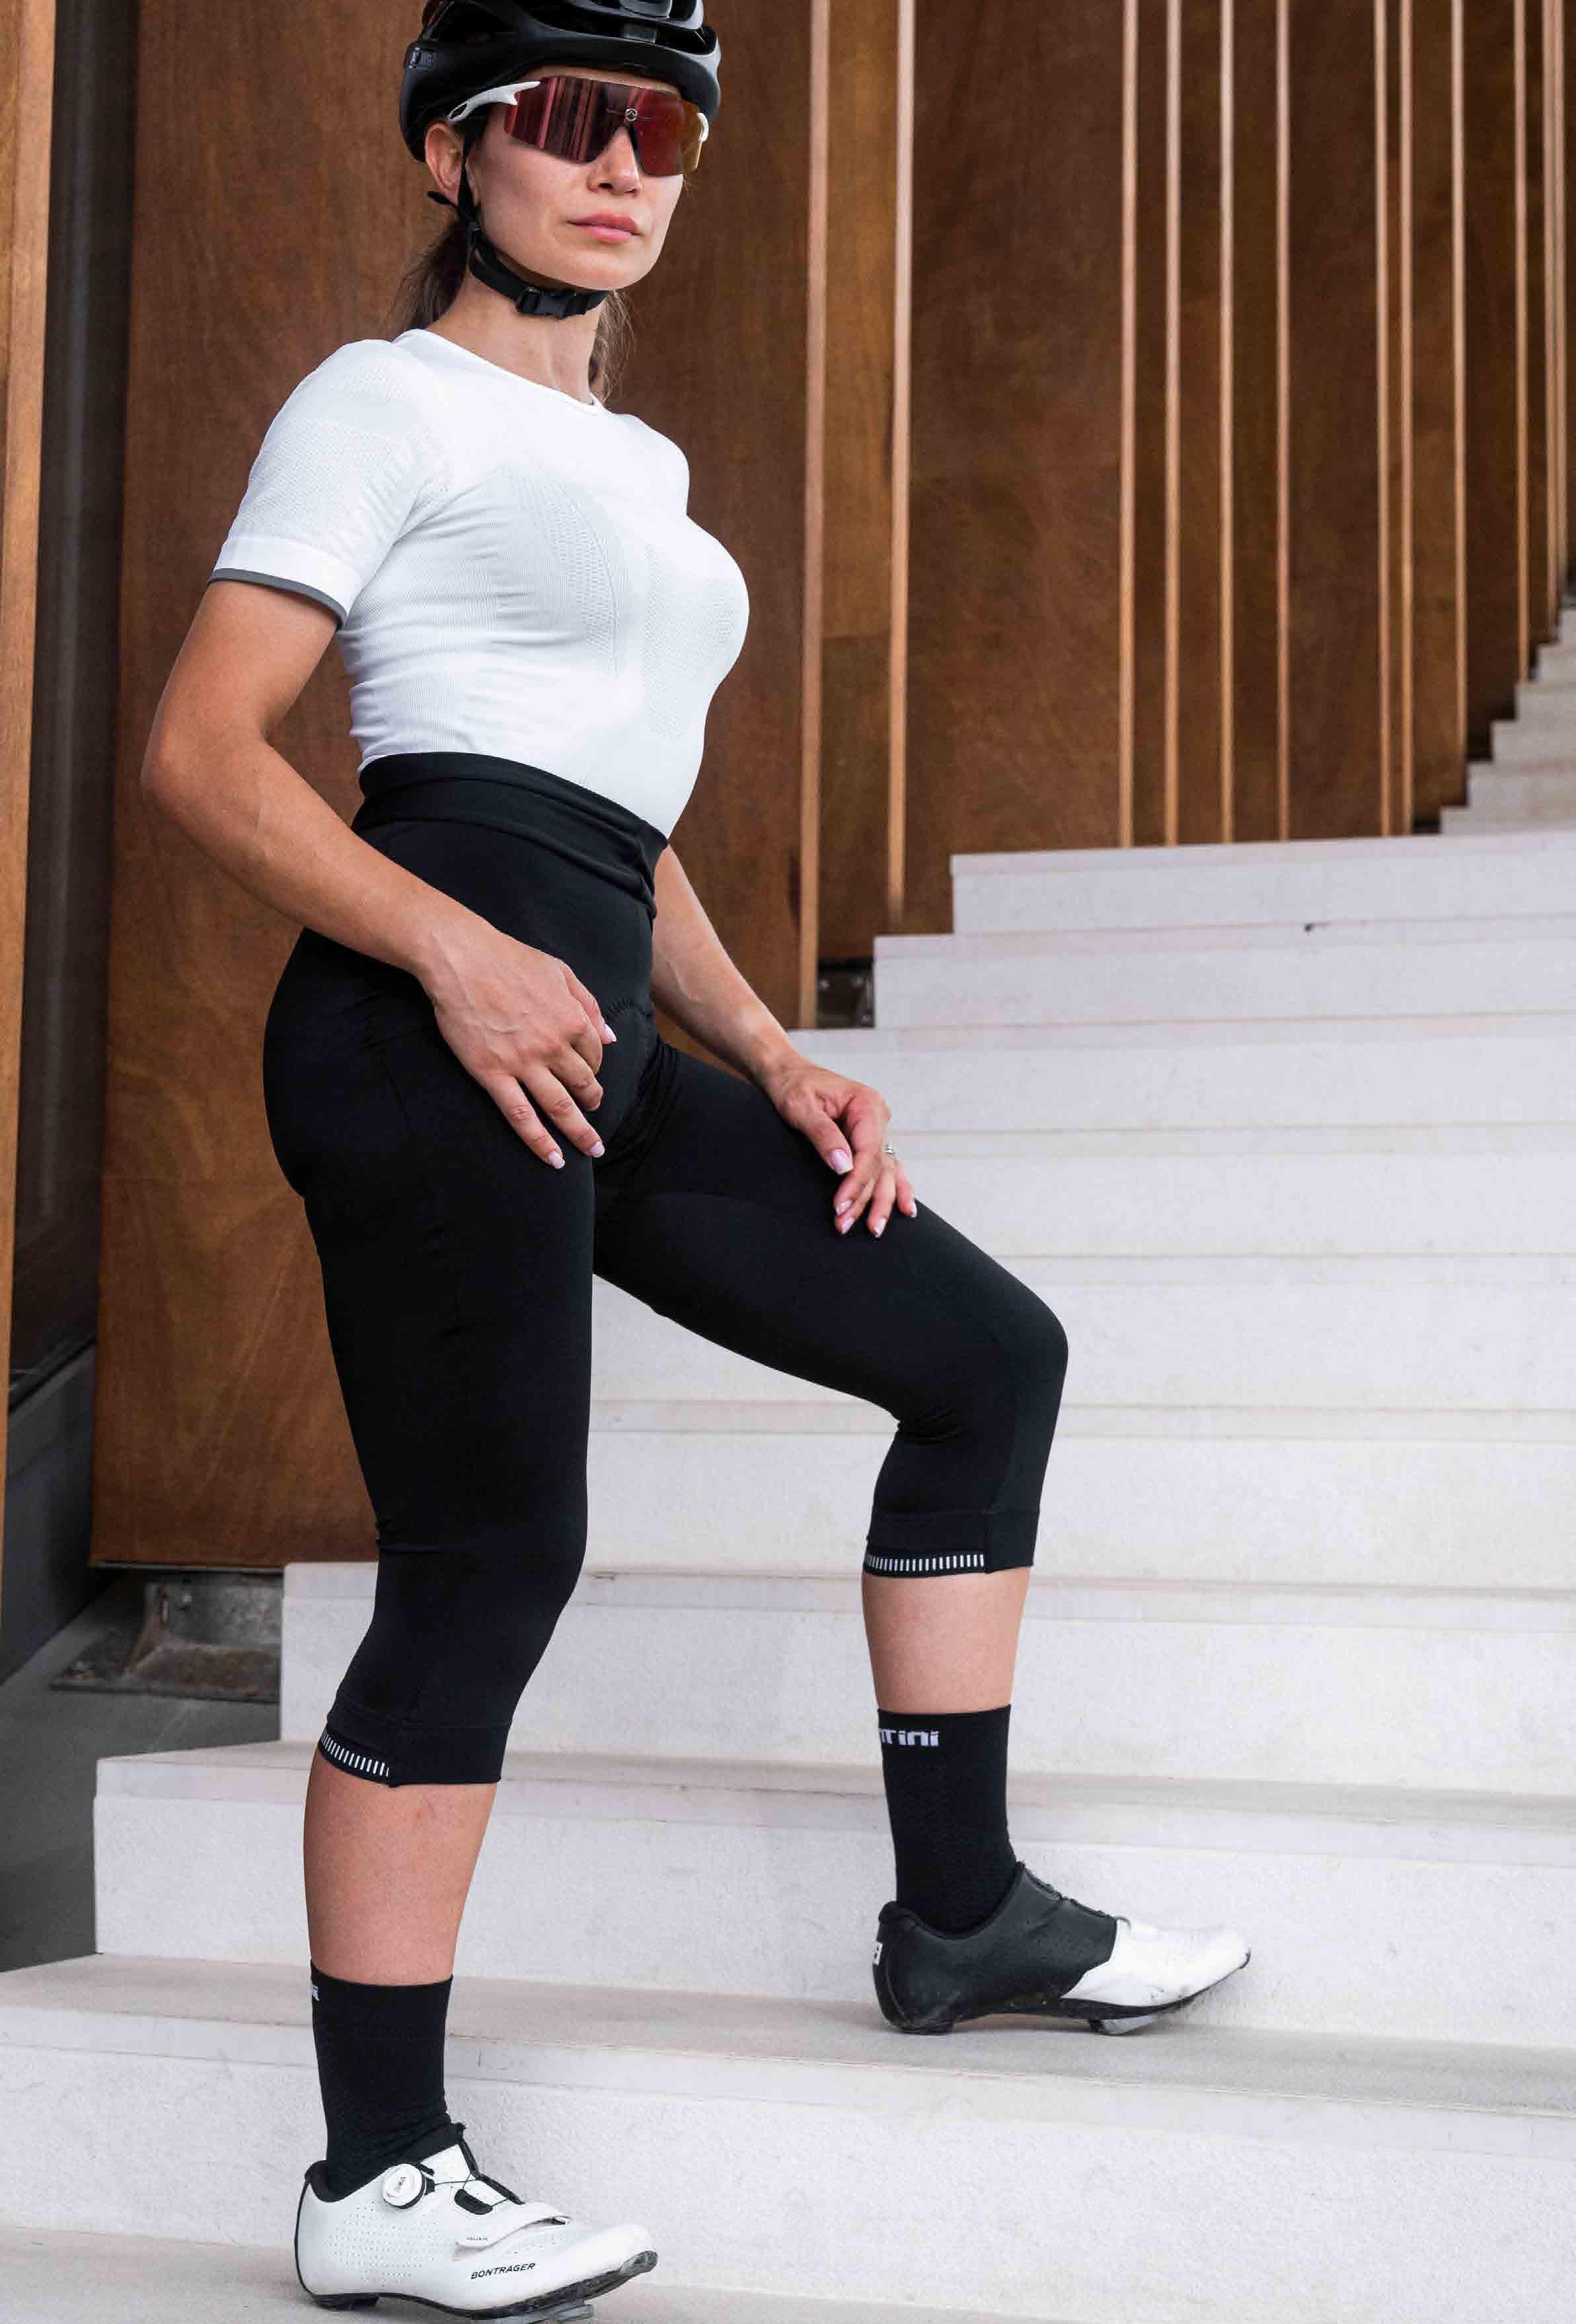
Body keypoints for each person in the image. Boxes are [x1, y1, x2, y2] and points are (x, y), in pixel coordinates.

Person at [141, 3, 1250, 2311]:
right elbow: (207, 753)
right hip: (429, 1023)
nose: (625, 166)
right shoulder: (375, 402)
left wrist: (762, 1042)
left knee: (982, 1357)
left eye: (663, 129)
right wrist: (453, 957)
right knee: (490, 1559)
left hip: (599, 1018)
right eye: (570, 121)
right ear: (453, 153)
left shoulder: (633, 463)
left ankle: (960, 1914)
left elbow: (616, 816)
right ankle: (377, 2171)